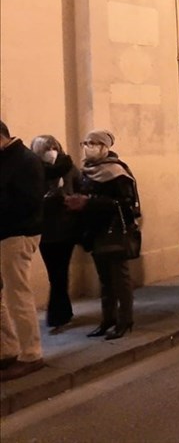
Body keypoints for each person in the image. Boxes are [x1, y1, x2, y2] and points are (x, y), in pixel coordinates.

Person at [70, 130, 141, 340]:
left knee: (120, 279)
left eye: (94, 143)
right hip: (95, 231)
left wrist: (89, 202)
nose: (89, 146)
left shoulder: (117, 172)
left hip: (114, 231)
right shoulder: (87, 171)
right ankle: (107, 319)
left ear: (104, 147)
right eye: (86, 142)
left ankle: (125, 320)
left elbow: (126, 204)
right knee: (105, 280)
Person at [0, 120, 46, 380]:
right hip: (4, 234)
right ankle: (7, 349)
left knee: (19, 295)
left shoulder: (25, 161)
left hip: (17, 235)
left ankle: (31, 354)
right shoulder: (6, 158)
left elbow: (27, 204)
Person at [31, 135, 80, 329]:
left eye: (53, 146)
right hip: (45, 230)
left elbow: (79, 187)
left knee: (61, 271)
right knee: (55, 273)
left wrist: (68, 198)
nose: (51, 150)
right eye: (45, 148)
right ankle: (63, 311)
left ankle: (57, 314)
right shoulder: (34, 171)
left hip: (66, 227)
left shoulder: (68, 167)